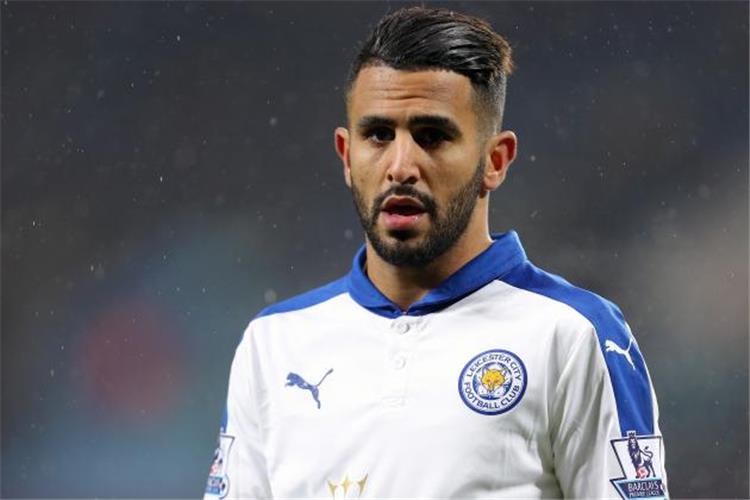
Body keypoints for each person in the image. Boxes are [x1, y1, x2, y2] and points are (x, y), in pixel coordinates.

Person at [204, 6, 668, 499]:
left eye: (432, 137)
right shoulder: (273, 344)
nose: (401, 166)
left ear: (495, 161)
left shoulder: (573, 334)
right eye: (378, 135)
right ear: (346, 155)